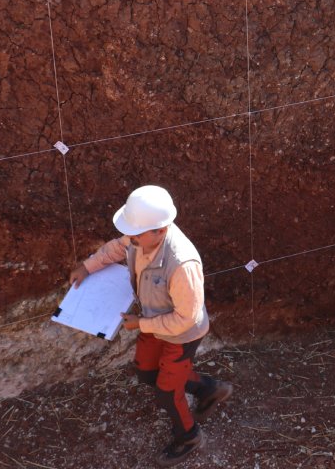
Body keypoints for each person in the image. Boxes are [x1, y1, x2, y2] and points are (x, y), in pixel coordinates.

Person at [68, 185, 233, 467]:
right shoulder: (139, 237)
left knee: (167, 392)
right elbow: (116, 248)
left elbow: (187, 318)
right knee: (146, 373)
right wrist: (87, 266)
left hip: (182, 334)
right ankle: (209, 389)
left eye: (135, 234)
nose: (129, 238)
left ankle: (189, 436)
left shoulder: (182, 264)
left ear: (160, 229)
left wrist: (142, 324)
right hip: (153, 323)